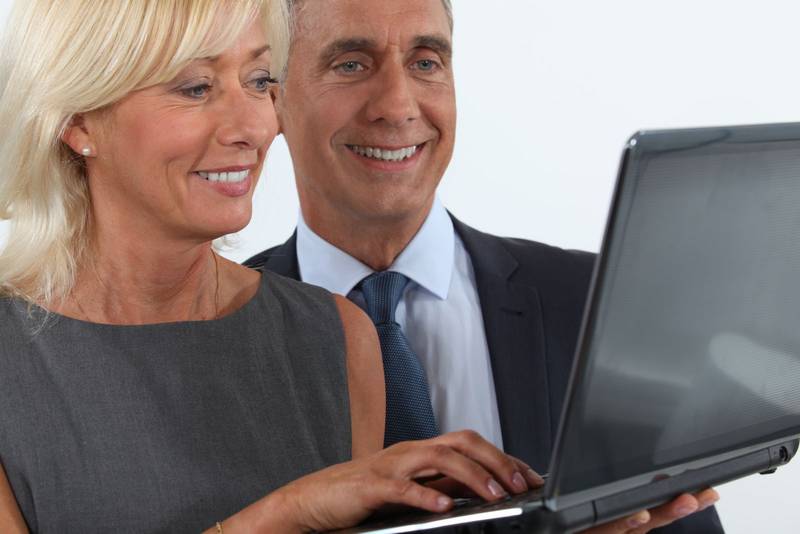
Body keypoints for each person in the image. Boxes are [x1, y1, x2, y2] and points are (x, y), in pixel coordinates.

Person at [0, 1, 549, 532]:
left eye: (258, 81)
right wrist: (289, 514)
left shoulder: (337, 336)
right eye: (196, 88)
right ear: (78, 121)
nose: (254, 126)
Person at [244, 0, 724, 532]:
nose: (398, 106)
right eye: (351, 64)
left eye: (426, 62)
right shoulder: (211, 338)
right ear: (274, 98)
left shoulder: (603, 304)